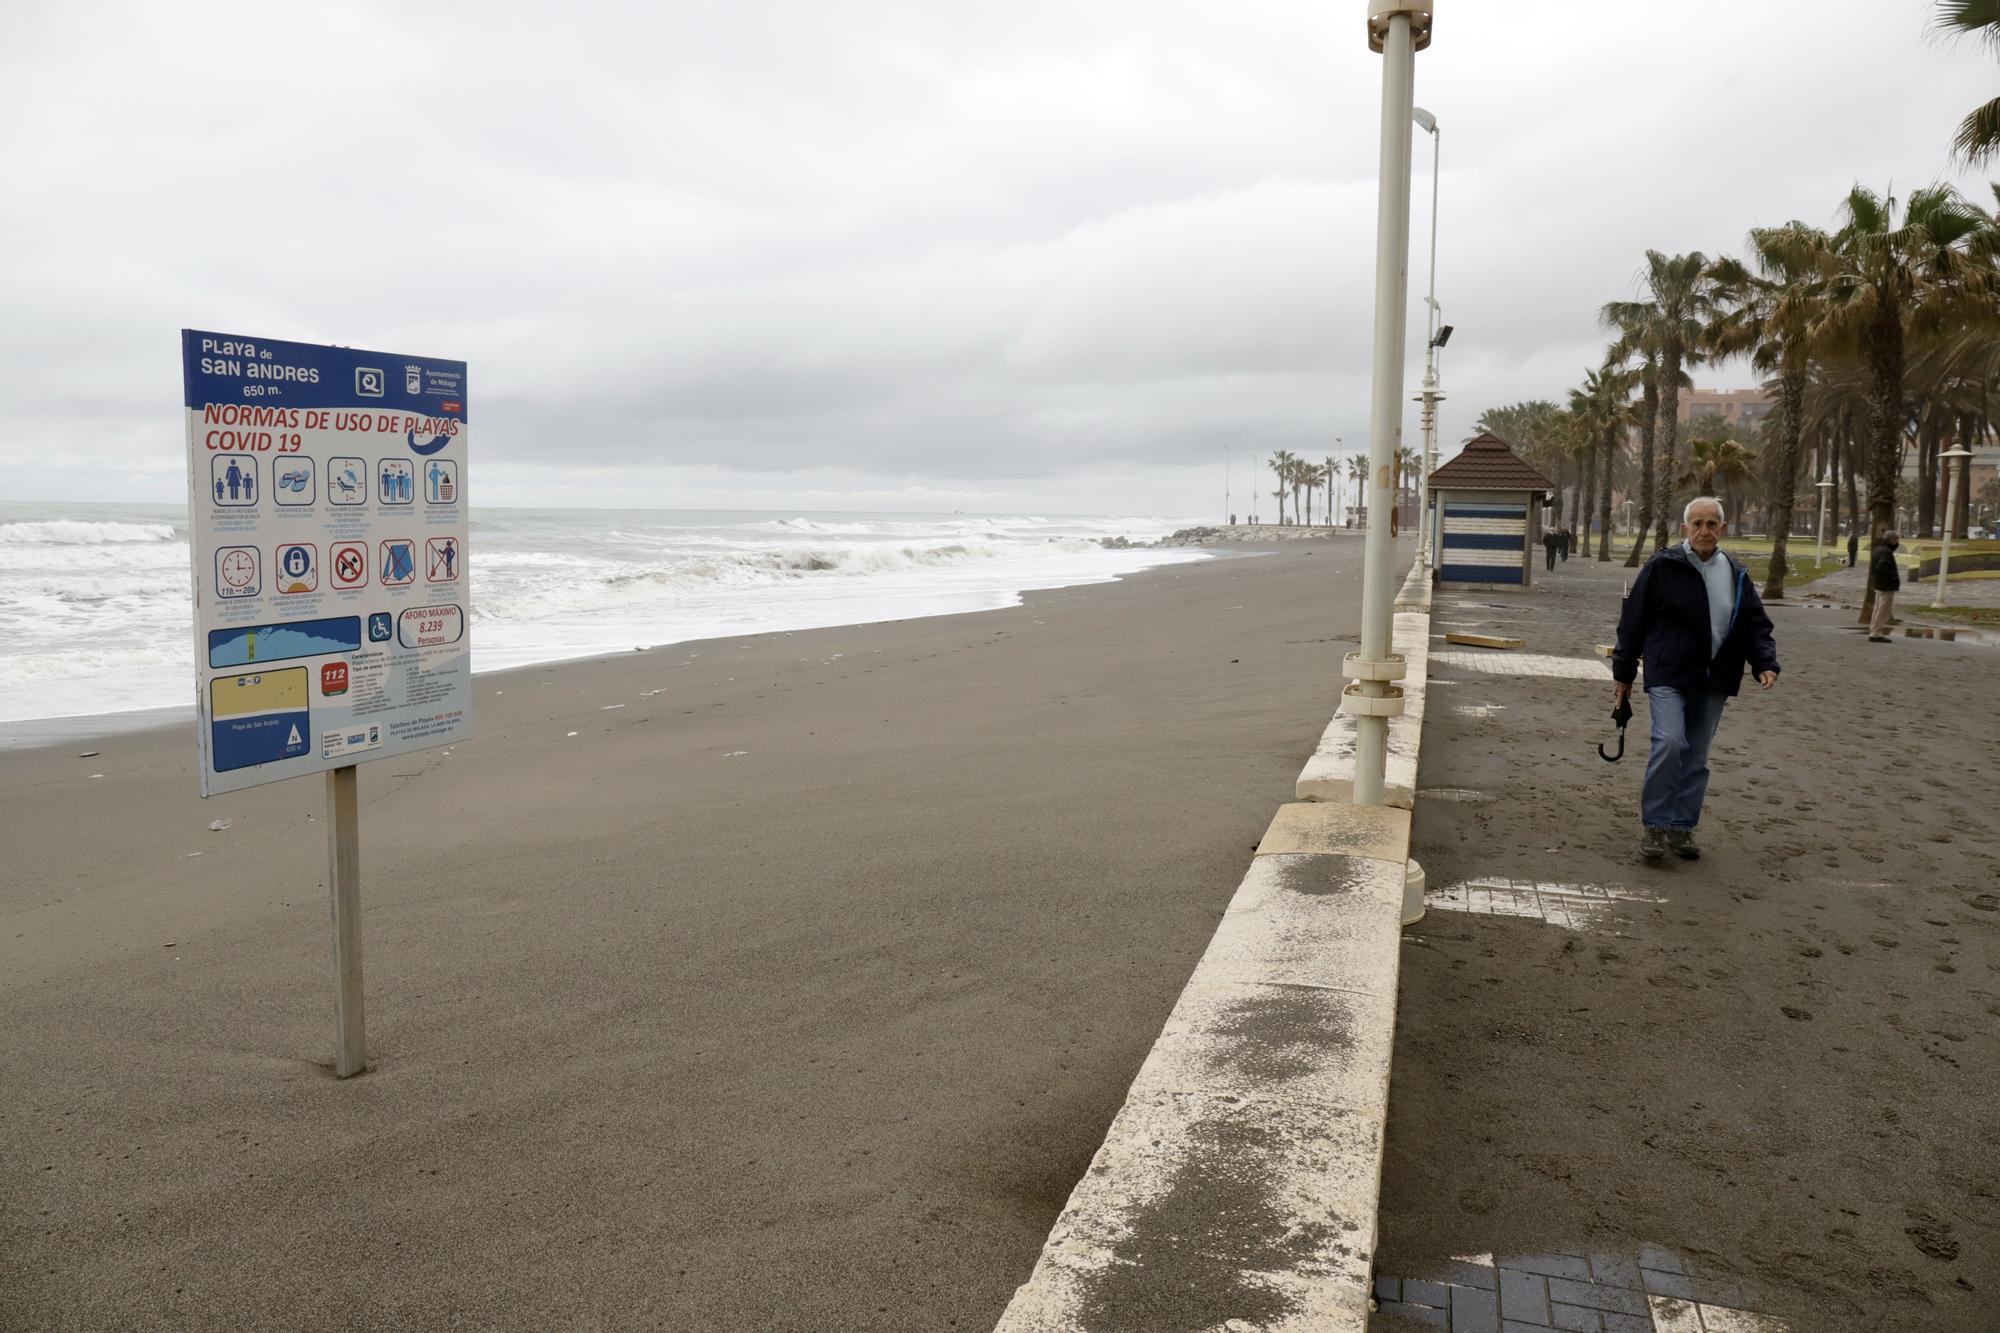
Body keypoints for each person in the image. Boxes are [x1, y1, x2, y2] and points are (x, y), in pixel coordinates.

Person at [1611, 497, 1780, 863]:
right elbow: (1633, 621)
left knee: (1697, 755)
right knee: (1670, 742)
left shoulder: (1735, 573)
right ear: (1685, 528)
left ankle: (1681, 826)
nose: (1705, 530)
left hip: (1715, 678)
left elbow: (1755, 624)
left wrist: (1765, 663)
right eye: (1698, 524)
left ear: (1723, 528)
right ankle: (1655, 824)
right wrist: (1623, 673)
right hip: (1668, 673)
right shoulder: (1662, 566)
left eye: (1712, 524)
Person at [1867, 530, 1902, 642]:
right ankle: (1876, 633)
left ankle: (1873, 629)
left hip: (1879, 583)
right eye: (1896, 539)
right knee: (1883, 610)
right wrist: (1894, 576)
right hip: (1886, 584)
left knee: (1877, 608)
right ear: (1891, 540)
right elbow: (1883, 566)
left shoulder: (1879, 549)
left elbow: (1875, 567)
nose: (1897, 541)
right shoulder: (1886, 552)